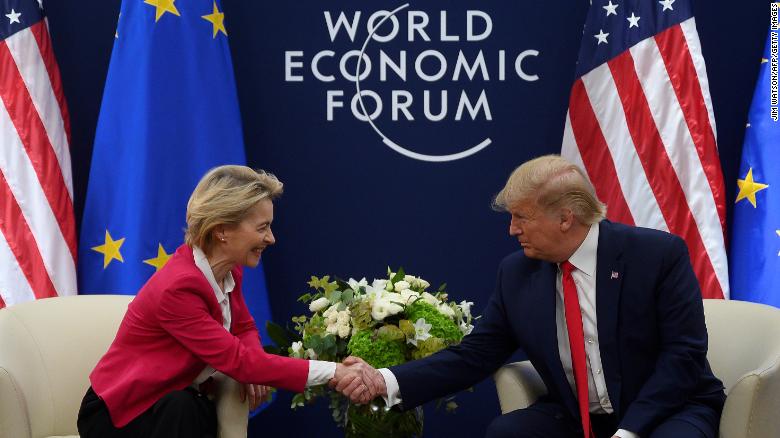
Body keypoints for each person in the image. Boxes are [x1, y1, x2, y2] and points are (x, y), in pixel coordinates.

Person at [335, 155, 726, 438]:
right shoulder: (518, 273)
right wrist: (385, 380)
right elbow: (475, 355)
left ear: (565, 218)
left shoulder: (656, 256)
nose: (511, 229)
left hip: (666, 410)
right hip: (579, 417)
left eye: (521, 217)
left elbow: (684, 354)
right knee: (509, 432)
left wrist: (630, 432)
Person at [77, 165, 375, 438]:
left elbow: (244, 326)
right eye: (262, 228)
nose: (271, 238)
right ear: (221, 230)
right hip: (120, 415)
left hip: (176, 406)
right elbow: (237, 360)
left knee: (189, 408)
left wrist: (256, 372)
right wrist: (334, 371)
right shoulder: (178, 287)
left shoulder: (229, 269)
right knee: (183, 407)